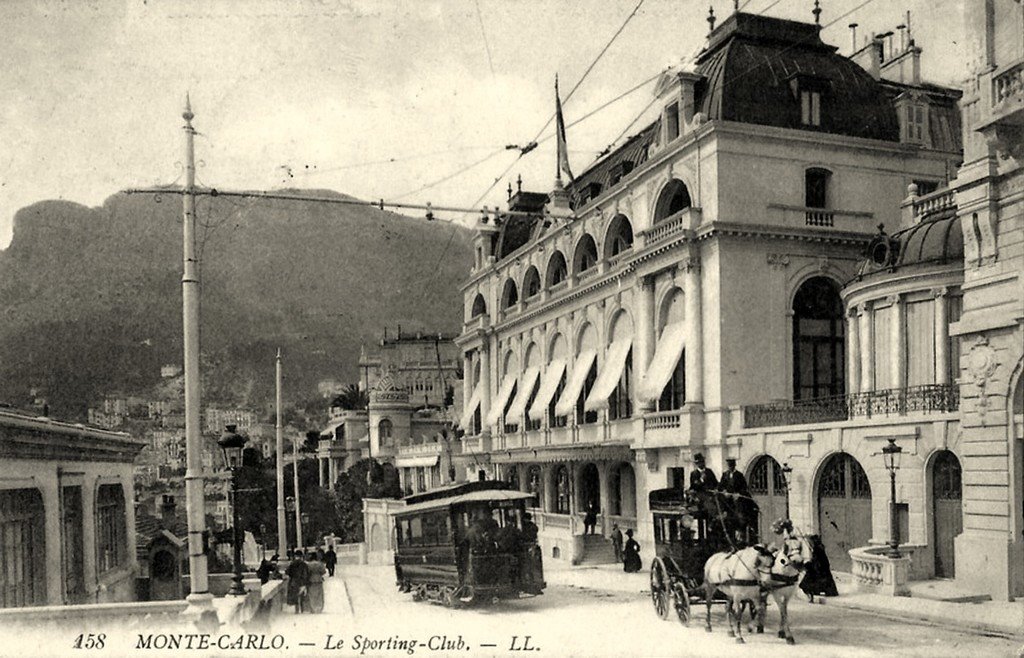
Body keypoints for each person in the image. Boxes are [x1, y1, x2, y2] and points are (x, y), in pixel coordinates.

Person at [799, 534, 839, 601]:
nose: (810, 543)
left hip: (819, 570)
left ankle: (812, 594)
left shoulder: (817, 549)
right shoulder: (819, 548)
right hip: (821, 569)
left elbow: (817, 562)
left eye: (811, 542)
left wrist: (809, 564)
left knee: (807, 583)